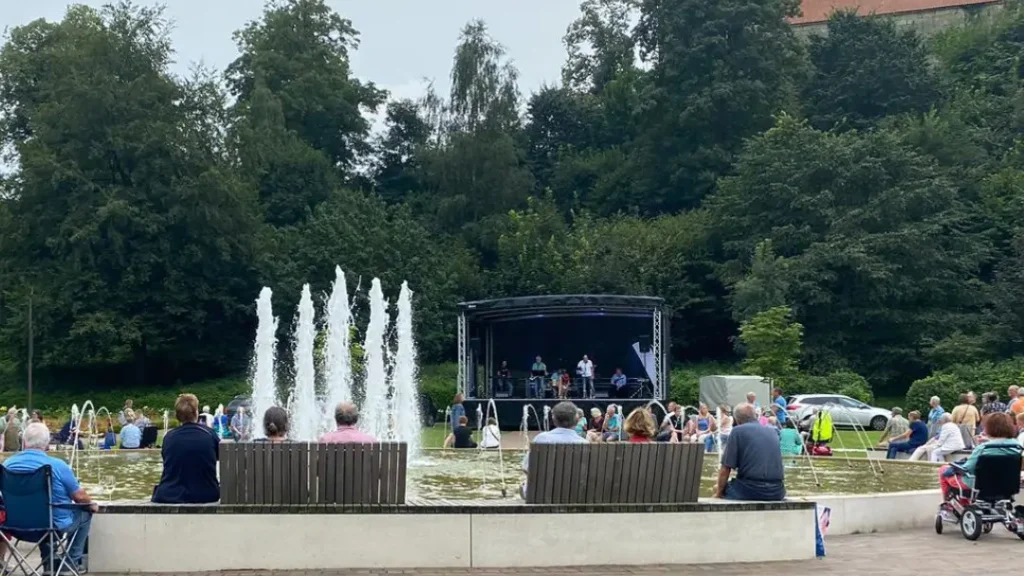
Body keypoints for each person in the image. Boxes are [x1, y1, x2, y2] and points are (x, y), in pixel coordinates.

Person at [2, 422, 97, 571]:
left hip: (15, 527)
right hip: (51, 526)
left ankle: (49, 563)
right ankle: (71, 563)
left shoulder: (7, 465)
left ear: (24, 442)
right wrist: (91, 504)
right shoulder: (58, 465)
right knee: (85, 512)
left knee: (41, 510)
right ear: (47, 444)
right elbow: (81, 498)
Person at [939, 413, 1023, 507]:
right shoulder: (1017, 446)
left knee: (943, 469)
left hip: (980, 486)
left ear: (989, 428)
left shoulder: (983, 448)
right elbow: (1001, 447)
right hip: (1007, 486)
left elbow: (967, 468)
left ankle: (949, 504)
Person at [152, 394, 220, 504]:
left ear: (177, 416)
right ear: (196, 412)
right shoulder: (210, 434)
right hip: (206, 494)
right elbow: (217, 457)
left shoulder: (169, 437)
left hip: (170, 494)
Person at [714, 403, 785, 501]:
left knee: (717, 488)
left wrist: (718, 494)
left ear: (737, 419)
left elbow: (725, 469)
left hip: (750, 490)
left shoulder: (737, 431)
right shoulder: (773, 431)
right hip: (777, 491)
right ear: (755, 416)